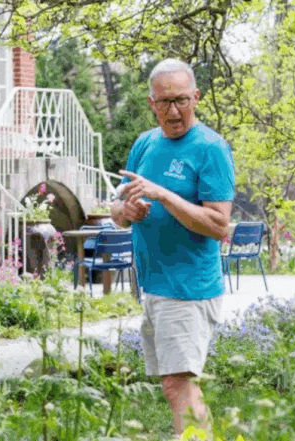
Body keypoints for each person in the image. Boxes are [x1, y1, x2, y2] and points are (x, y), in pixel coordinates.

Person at [110, 59, 235, 436]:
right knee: (174, 384)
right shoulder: (144, 144)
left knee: (179, 383)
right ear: (152, 103)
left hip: (189, 287)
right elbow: (116, 209)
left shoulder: (211, 148)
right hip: (154, 285)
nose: (174, 110)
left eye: (181, 100)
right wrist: (127, 211)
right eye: (165, 102)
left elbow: (219, 225)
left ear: (196, 97)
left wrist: (164, 195)